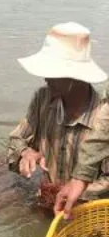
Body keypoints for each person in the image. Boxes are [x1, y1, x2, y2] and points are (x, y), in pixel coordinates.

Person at [7, 22, 109, 217]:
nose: (46, 79)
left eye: (52, 73)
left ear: (75, 77)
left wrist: (74, 192)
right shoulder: (42, 99)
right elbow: (15, 140)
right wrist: (26, 153)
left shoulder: (103, 117)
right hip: (41, 204)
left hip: (85, 215)